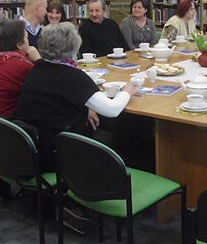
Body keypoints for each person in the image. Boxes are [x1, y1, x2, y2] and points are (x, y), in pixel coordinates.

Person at [15, 22, 136, 172]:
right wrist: (127, 91)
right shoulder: (72, 75)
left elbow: (57, 100)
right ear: (74, 47)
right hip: (59, 153)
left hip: (33, 148)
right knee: (115, 134)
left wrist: (87, 109)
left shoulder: (38, 69)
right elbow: (112, 110)